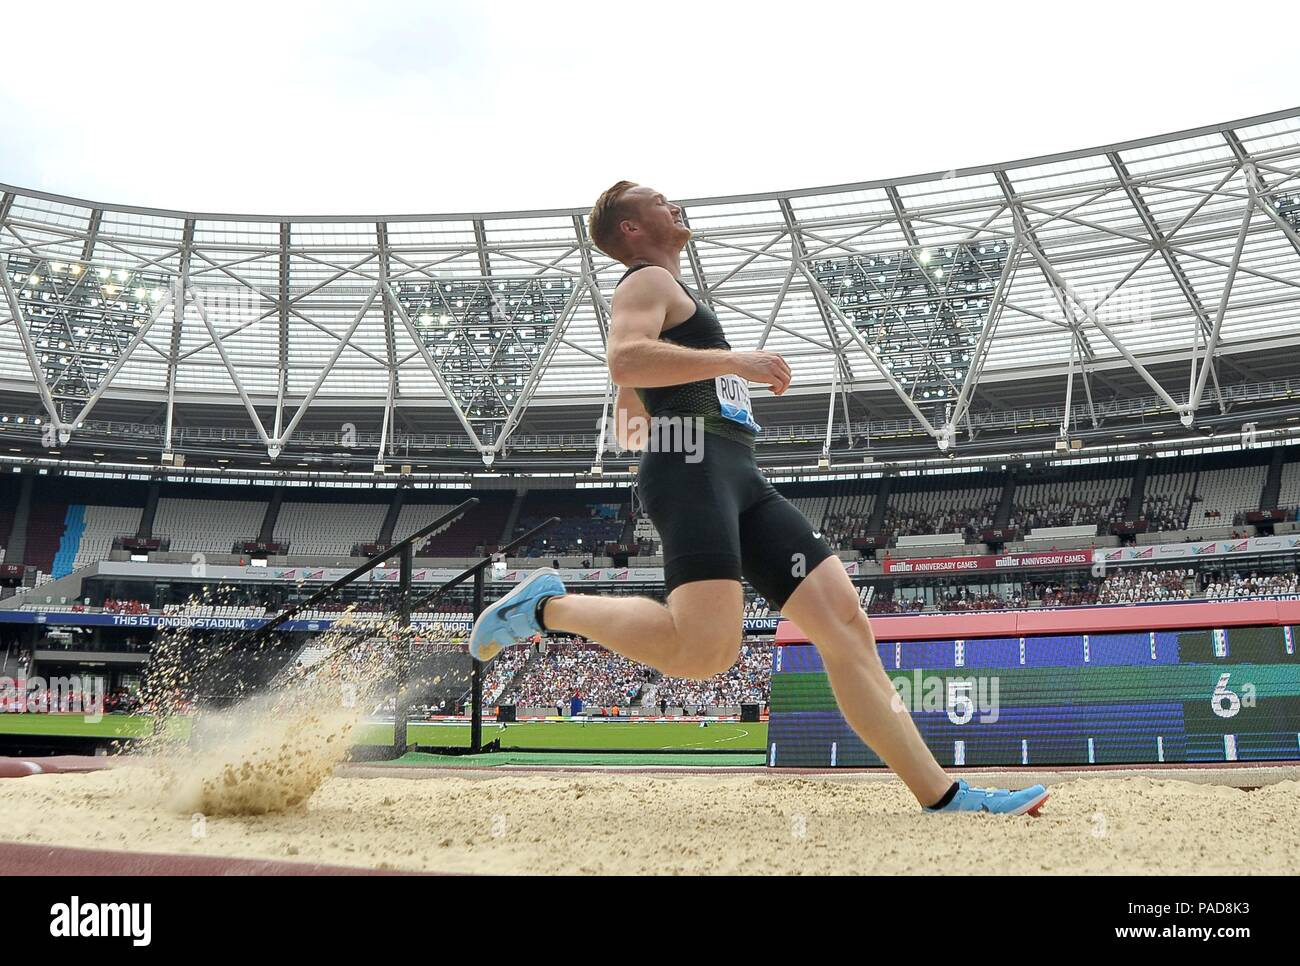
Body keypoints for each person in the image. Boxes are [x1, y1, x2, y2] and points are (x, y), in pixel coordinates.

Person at [470, 181, 1047, 816]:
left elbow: (631, 412)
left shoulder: (676, 298)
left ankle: (944, 795)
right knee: (705, 652)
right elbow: (626, 362)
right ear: (632, 229)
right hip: (694, 471)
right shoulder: (644, 282)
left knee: (846, 624)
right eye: (661, 200)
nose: (677, 205)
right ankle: (549, 608)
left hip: (733, 473)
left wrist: (680, 419)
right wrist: (732, 367)